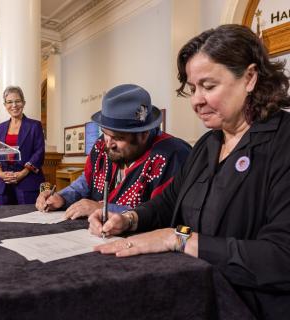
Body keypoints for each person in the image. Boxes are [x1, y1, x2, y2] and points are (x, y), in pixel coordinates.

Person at [89, 25, 290, 320]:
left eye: (208, 86)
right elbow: (170, 201)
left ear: (249, 78)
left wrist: (178, 238)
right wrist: (129, 219)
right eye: (192, 88)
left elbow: (281, 257)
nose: (196, 100)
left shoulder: (283, 143)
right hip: (198, 296)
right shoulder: (208, 144)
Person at [36, 84, 191, 219]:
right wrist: (61, 197)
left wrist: (104, 209)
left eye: (118, 137)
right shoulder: (102, 144)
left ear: (144, 134)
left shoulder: (173, 155)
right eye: (105, 133)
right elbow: (87, 182)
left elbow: (167, 213)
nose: (108, 143)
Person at [0, 86, 45, 204]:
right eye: (9, 102)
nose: (14, 105)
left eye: (18, 101)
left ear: (23, 103)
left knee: (27, 219)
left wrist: (22, 173)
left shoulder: (35, 125)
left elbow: (39, 152)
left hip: (27, 180)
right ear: (5, 105)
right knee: (4, 219)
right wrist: (0, 173)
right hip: (3, 182)